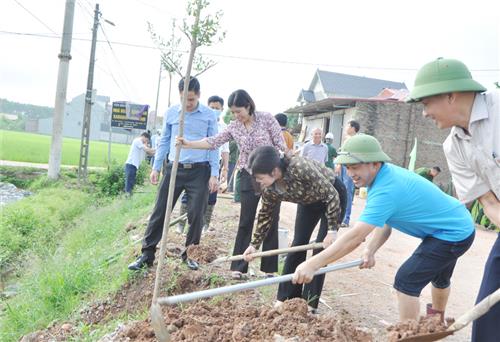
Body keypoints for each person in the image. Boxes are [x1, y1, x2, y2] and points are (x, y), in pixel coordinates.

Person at [292, 134, 475, 322]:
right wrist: (371, 250)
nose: (350, 173)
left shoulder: (385, 189)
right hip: (455, 223)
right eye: (347, 167)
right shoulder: (383, 177)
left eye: (355, 167)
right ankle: (436, 321)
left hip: (452, 233)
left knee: (406, 281)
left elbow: (355, 237)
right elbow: (385, 222)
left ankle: (410, 336)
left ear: (375, 164)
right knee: (439, 277)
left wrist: (313, 264)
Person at [407, 57, 500, 341]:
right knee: (488, 314)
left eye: (426, 104)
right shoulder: (453, 146)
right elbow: (488, 202)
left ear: (451, 94)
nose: (424, 114)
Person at [177, 89, 286, 279]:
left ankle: (269, 269)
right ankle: (239, 266)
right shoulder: (234, 126)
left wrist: (278, 170)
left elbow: (281, 145)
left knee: (270, 220)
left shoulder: (267, 119)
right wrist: (189, 143)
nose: (236, 115)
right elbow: (214, 141)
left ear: (248, 106)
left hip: (270, 176)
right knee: (246, 220)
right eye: (233, 112)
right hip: (248, 174)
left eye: (239, 111)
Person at [128, 76, 219, 272]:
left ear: (199, 96)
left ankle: (190, 254)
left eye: (192, 99)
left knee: (196, 213)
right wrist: (156, 166)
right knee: (160, 210)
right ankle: (147, 254)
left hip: (199, 171)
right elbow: (164, 141)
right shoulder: (171, 113)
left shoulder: (209, 115)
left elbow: (214, 145)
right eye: (184, 99)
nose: (188, 103)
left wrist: (214, 173)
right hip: (175, 168)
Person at [242, 146, 347, 311]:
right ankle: (286, 298)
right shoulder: (270, 189)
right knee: (298, 243)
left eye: (260, 178)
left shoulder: (298, 167)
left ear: (275, 171)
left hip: (332, 196)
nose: (258, 182)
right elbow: (265, 215)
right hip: (308, 201)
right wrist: (254, 245)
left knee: (321, 247)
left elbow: (331, 194)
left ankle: (310, 303)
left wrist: (332, 230)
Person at [177, 95, 230, 233]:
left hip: (214, 165)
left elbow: (225, 150)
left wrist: (225, 168)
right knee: (188, 194)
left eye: (217, 108)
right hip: (199, 164)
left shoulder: (224, 127)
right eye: (211, 107)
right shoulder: (201, 120)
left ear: (222, 109)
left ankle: (205, 224)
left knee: (211, 194)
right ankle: (181, 224)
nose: (214, 110)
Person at [335, 120, 360, 227]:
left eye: (348, 126)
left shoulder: (355, 140)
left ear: (353, 128)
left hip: (350, 167)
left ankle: (345, 219)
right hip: (344, 166)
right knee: (341, 190)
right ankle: (340, 216)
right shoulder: (347, 139)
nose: (346, 128)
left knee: (347, 192)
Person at [124, 131, 155, 196]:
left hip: (134, 166)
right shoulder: (137, 141)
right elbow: (147, 149)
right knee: (129, 183)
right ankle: (127, 197)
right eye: (146, 140)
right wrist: (157, 150)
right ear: (143, 137)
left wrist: (156, 153)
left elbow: (149, 153)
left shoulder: (141, 143)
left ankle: (129, 196)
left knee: (131, 182)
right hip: (130, 164)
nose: (146, 142)